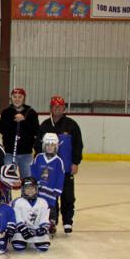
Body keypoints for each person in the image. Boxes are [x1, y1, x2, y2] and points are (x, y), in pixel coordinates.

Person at [35, 95, 83, 234]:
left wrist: (75, 162)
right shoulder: (45, 125)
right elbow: (38, 146)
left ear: (64, 108)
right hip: (49, 169)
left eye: (60, 106)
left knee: (67, 195)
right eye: (54, 106)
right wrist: (39, 163)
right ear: (50, 108)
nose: (57, 108)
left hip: (66, 168)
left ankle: (67, 221)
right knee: (50, 195)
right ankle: (52, 220)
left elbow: (78, 145)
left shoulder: (71, 125)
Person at [0, 88, 40, 179]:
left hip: (26, 154)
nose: (17, 99)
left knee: (27, 180)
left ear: (24, 98)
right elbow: (2, 129)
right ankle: (7, 194)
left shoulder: (31, 112)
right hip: (10, 153)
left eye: (20, 97)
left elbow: (36, 130)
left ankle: (26, 194)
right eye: (14, 97)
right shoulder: (6, 112)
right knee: (7, 179)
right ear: (11, 98)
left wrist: (24, 121)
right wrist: (14, 121)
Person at [31, 133, 65, 235]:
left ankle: (51, 223)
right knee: (38, 205)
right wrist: (34, 183)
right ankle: (37, 222)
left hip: (51, 191)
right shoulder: (39, 157)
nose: (50, 147)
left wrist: (58, 189)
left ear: (56, 146)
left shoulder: (59, 161)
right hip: (39, 189)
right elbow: (33, 169)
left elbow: (61, 176)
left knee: (51, 207)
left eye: (52, 145)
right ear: (44, 146)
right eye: (47, 145)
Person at [11, 177, 51, 252]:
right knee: (18, 246)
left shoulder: (43, 202)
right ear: (23, 190)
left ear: (36, 189)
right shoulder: (18, 202)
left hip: (36, 229)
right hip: (22, 231)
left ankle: (35, 240)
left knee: (43, 247)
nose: (30, 191)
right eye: (27, 188)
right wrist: (23, 229)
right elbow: (17, 218)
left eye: (32, 188)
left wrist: (41, 229)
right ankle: (25, 239)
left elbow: (45, 218)